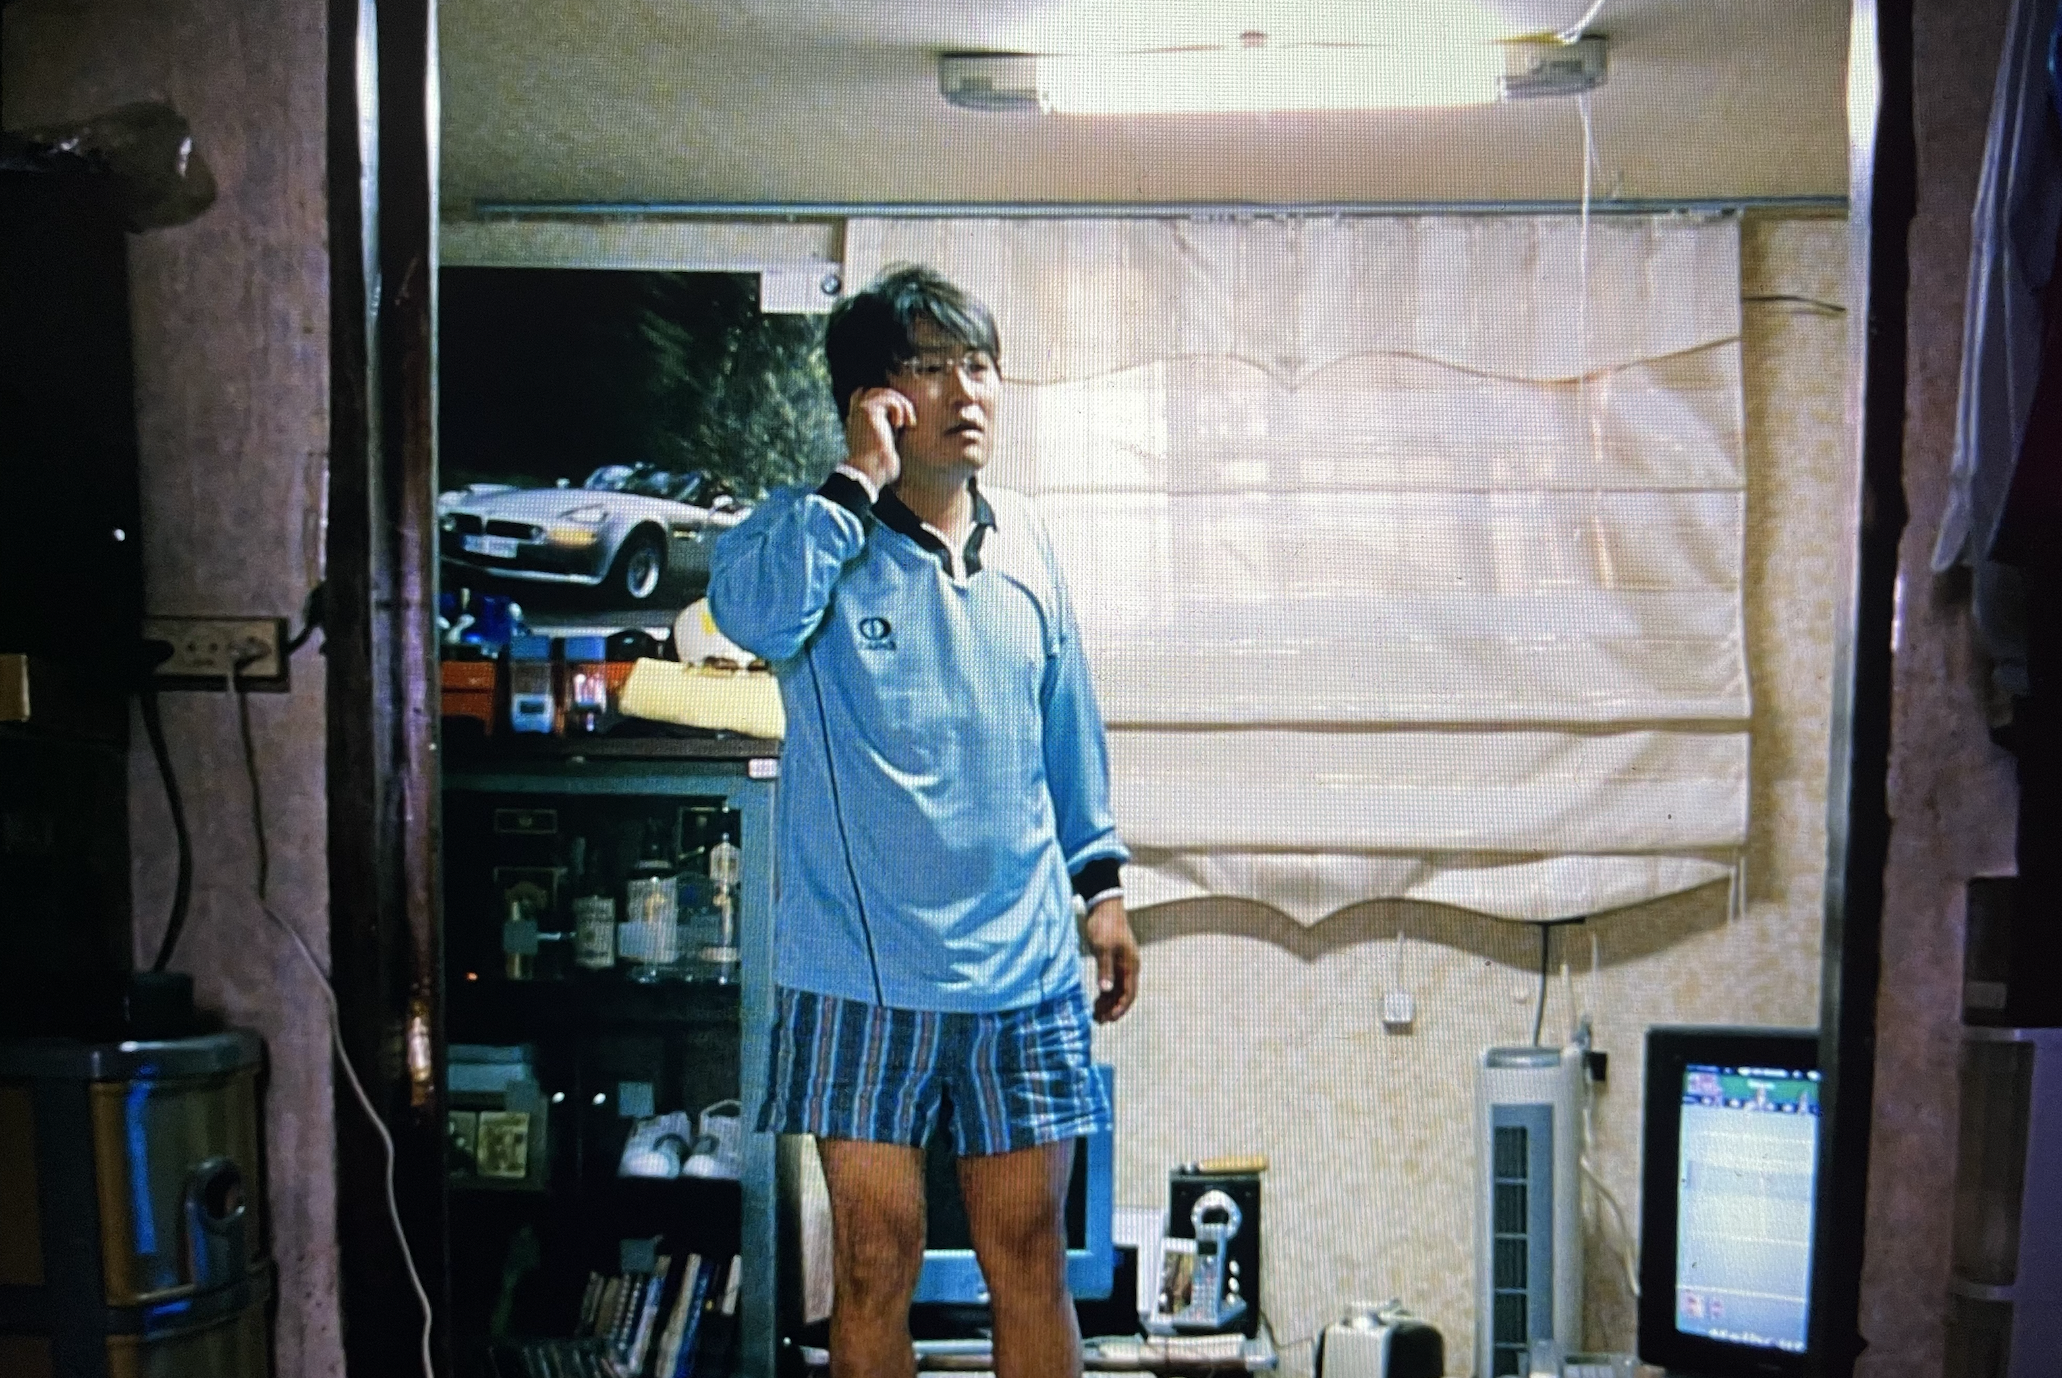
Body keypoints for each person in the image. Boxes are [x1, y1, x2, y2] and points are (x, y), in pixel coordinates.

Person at [708, 264, 1140, 1378]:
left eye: (980, 365)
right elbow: (750, 617)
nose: (967, 391)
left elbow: (1067, 726)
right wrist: (858, 478)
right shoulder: (805, 537)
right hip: (859, 975)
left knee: (1030, 1258)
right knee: (872, 1263)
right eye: (931, 367)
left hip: (1023, 972)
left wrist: (1102, 891)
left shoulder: (1030, 543)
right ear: (874, 397)